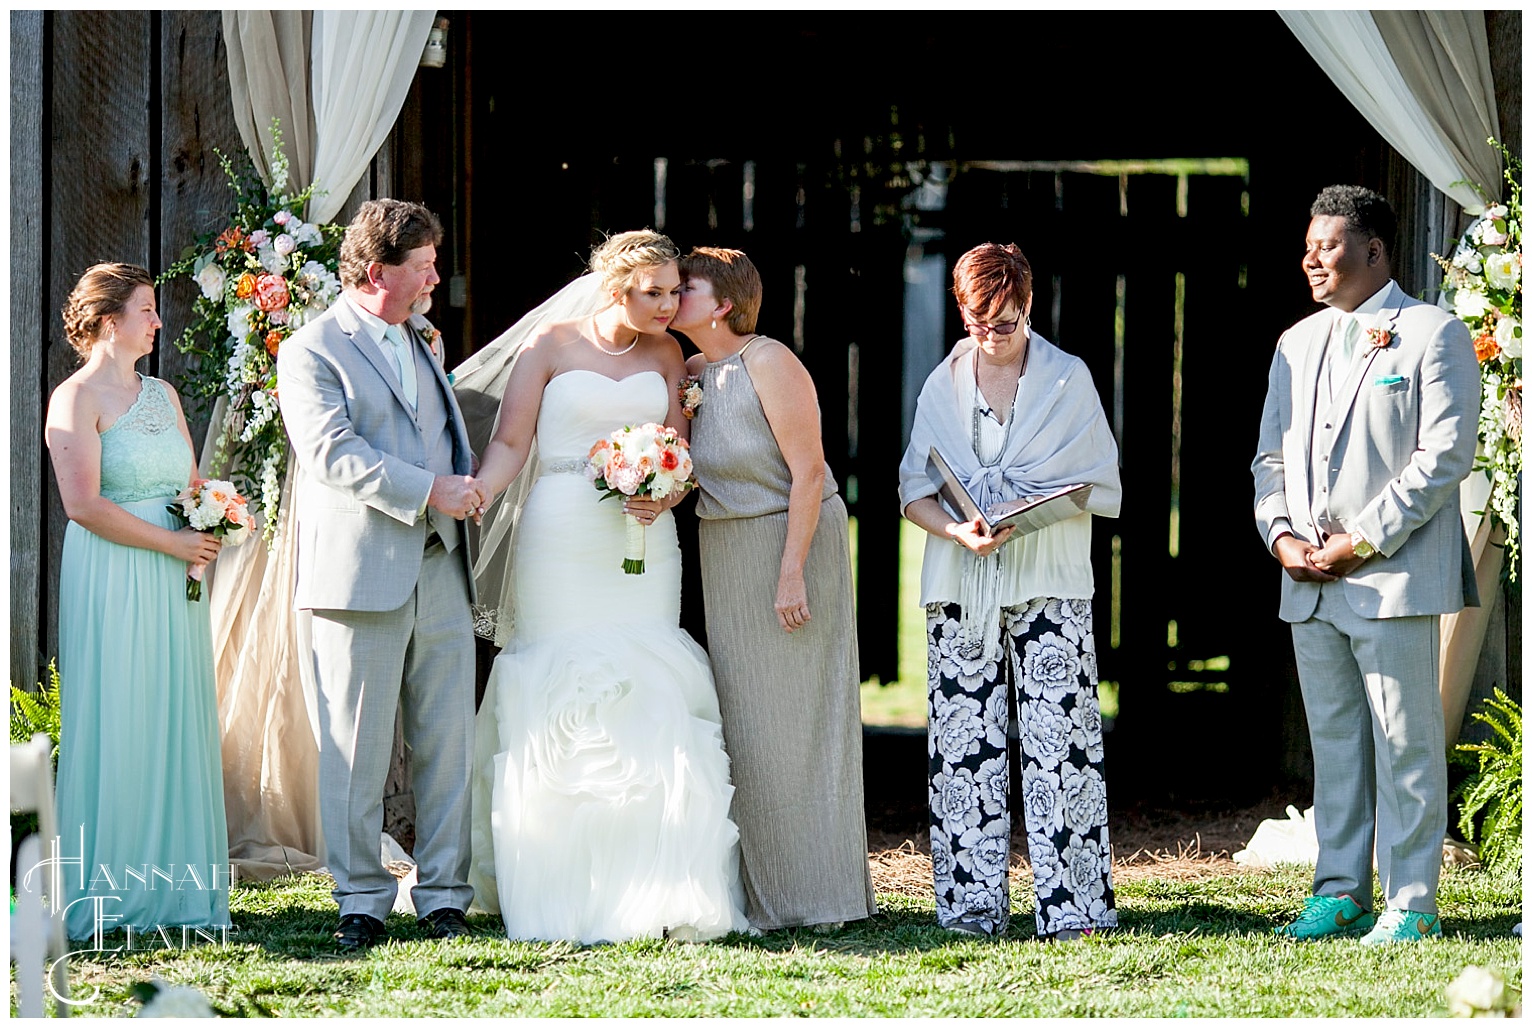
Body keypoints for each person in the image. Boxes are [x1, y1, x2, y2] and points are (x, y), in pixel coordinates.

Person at [458, 230, 749, 944]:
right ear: (616, 289)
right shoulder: (550, 346)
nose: (670, 303)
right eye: (655, 292)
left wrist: (666, 491)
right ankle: (558, 882)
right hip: (559, 535)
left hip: (644, 537)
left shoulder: (667, 354)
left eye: (676, 290)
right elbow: (510, 443)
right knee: (560, 682)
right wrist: (475, 494)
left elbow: (679, 448)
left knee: (649, 678)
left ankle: (654, 884)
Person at [1252, 185, 1479, 944]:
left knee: (1406, 743)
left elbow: (1444, 456)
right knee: (1338, 744)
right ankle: (1341, 890)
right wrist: (1282, 536)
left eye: (1328, 245)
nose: (1312, 259)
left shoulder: (1432, 333)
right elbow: (1270, 457)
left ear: (1373, 249)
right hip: (1308, 580)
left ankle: (1412, 902)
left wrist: (1364, 539)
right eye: (1309, 247)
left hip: (1392, 573)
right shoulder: (1295, 342)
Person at [276, 199, 486, 950]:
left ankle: (444, 898)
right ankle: (361, 899)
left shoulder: (422, 335)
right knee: (355, 749)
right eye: (423, 265)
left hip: (440, 571)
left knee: (448, 743)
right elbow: (331, 452)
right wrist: (432, 491)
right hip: (359, 573)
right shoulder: (311, 349)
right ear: (376, 273)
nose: (435, 276)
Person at [897, 242, 1122, 941]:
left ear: (1029, 306)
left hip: (1050, 576)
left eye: (1007, 321)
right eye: (978, 320)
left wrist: (1028, 507)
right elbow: (913, 491)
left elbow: (1098, 480)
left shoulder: (1067, 378)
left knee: (1063, 743)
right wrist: (957, 532)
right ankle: (970, 908)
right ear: (960, 310)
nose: (992, 335)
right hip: (962, 585)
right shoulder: (943, 383)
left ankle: (1075, 910)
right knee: (964, 745)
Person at [670, 247, 877, 931]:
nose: (674, 295)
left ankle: (820, 896)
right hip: (725, 552)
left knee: (800, 724)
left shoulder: (770, 362)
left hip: (791, 544)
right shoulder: (695, 373)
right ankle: (764, 894)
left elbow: (809, 472)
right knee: (750, 729)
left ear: (723, 303)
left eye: (687, 287)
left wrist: (791, 570)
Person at [45, 263, 230, 940]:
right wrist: (170, 543)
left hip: (173, 575)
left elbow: (187, 481)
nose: (157, 322)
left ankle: (179, 892)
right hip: (117, 570)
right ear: (107, 320)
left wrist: (211, 517)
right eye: (146, 310)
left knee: (171, 713)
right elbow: (84, 505)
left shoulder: (164, 394)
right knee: (120, 714)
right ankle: (110, 890)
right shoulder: (75, 398)